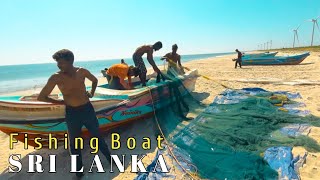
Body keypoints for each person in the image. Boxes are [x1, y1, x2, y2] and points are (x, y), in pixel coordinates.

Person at [37, 49, 111, 178]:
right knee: (74, 143)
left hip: (87, 110)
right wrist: (59, 101)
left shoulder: (81, 71)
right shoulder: (56, 77)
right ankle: (79, 172)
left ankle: (111, 160)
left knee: (97, 136)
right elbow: (42, 97)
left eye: (61, 63)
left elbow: (94, 80)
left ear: (71, 61)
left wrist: (92, 93)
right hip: (72, 113)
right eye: (57, 63)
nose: (59, 66)